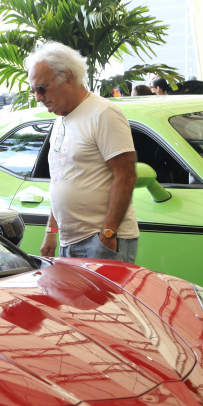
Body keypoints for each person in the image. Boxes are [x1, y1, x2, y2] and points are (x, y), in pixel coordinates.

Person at [25, 42, 138, 262]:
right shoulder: (60, 121)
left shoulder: (104, 113)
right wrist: (51, 232)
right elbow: (61, 180)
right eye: (34, 91)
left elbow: (126, 175)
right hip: (70, 242)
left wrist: (108, 233)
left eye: (42, 88)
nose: (38, 97)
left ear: (68, 77)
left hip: (100, 240)